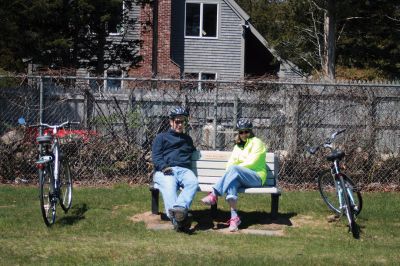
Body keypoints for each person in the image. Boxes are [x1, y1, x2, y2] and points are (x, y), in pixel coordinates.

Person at [201, 118, 267, 232]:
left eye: (246, 131)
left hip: (257, 177)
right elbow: (231, 163)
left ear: (250, 131)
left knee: (234, 170)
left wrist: (236, 169)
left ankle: (214, 194)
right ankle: (234, 219)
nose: (244, 134)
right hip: (241, 176)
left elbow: (253, 162)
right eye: (241, 132)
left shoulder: (257, 143)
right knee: (232, 182)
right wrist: (232, 171)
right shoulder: (237, 147)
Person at [152, 107, 198, 232]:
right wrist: (164, 167)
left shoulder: (187, 139)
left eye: (182, 122)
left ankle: (179, 210)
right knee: (170, 184)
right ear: (171, 122)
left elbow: (193, 153)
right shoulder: (161, 137)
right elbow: (156, 157)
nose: (180, 124)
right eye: (177, 121)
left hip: (184, 170)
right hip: (165, 170)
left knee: (193, 182)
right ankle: (178, 220)